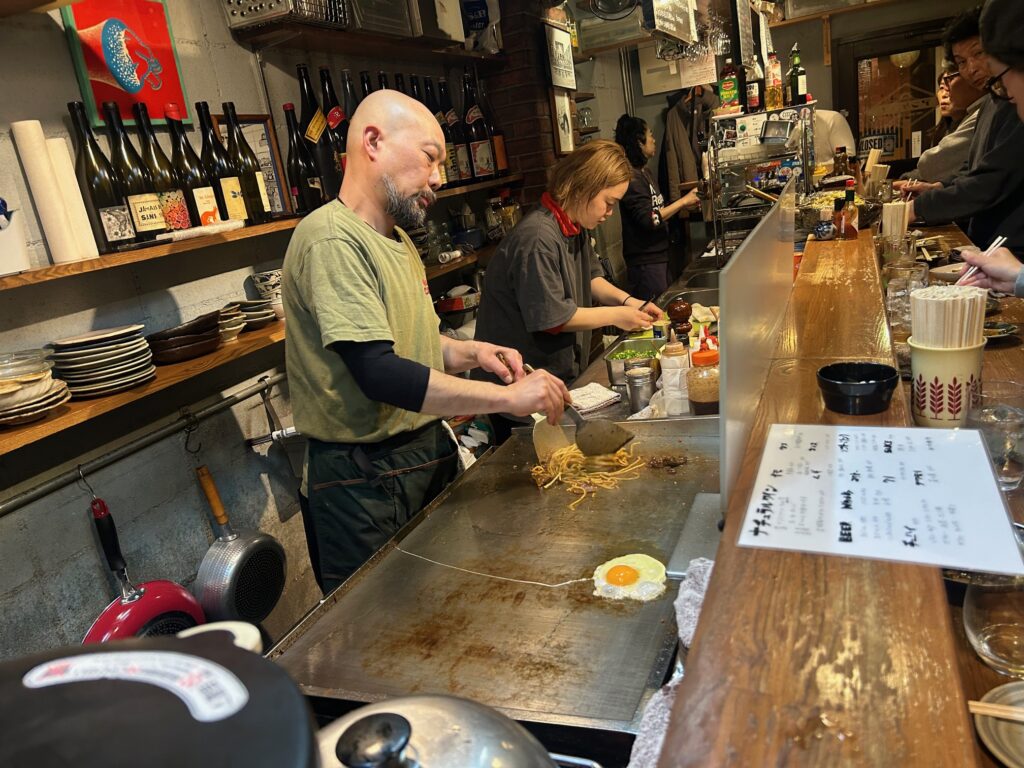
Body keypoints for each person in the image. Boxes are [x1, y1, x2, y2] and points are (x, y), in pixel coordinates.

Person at [283, 90, 571, 592]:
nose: (440, 177)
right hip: (364, 481)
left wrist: (473, 352)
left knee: (449, 605)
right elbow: (380, 373)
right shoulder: (332, 240)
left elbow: (414, 344)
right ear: (373, 142)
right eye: (430, 157)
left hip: (421, 455)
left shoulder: (398, 240)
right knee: (382, 631)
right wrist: (506, 397)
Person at [472, 140, 663, 443]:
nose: (610, 213)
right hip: (514, 388)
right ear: (582, 186)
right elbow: (552, 318)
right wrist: (618, 315)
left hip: (550, 379)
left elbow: (590, 279)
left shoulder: (573, 227)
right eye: (608, 202)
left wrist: (632, 303)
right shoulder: (537, 237)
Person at [908, 4, 1024, 256]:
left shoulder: (1010, 101)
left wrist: (919, 207)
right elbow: (974, 169)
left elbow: (992, 180)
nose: (971, 68)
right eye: (961, 62)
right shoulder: (992, 99)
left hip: (1011, 250)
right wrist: (940, 186)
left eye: (979, 54)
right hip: (991, 247)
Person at [614, 114, 700, 299]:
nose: (653, 139)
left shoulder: (645, 172)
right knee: (656, 317)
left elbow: (658, 209)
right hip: (646, 264)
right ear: (639, 142)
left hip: (659, 257)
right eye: (650, 134)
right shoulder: (632, 179)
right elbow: (650, 219)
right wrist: (683, 201)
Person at [896, 64, 985, 186]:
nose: (945, 94)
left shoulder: (979, 115)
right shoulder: (944, 127)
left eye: (949, 85)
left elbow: (931, 165)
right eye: (942, 88)